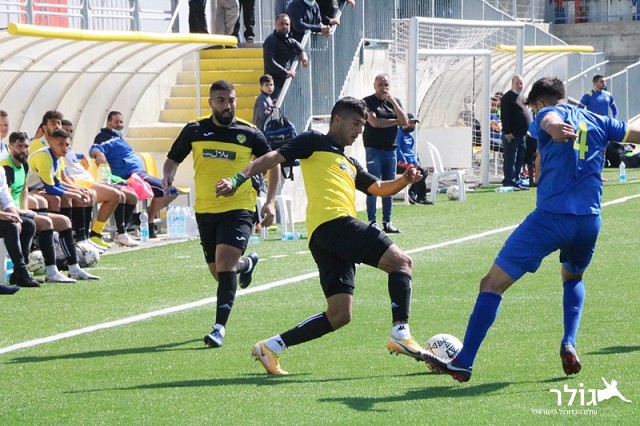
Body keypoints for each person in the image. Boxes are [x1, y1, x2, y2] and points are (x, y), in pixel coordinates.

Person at [422, 76, 640, 382]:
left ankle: (464, 361)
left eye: (534, 109)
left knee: (491, 284)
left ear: (538, 103)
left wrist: (553, 127)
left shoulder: (546, 113)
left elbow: (550, 120)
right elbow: (634, 133)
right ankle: (569, 341)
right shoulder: (599, 119)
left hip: (551, 219)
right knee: (573, 277)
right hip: (589, 221)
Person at [215, 96, 425, 375]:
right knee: (401, 262)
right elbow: (272, 157)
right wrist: (237, 178)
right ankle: (401, 333)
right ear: (337, 119)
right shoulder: (313, 140)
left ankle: (270, 347)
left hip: (324, 237)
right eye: (355, 123)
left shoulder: (349, 161)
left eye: (362, 125)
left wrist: (404, 180)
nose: (359, 130)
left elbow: (378, 188)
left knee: (339, 315)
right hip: (334, 223)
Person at [162, 80, 281, 349]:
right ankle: (247, 264)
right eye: (221, 101)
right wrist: (168, 174)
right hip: (205, 210)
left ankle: (218, 328)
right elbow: (173, 159)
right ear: (211, 103)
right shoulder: (195, 129)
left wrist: (270, 202)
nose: (228, 106)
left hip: (239, 209)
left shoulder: (249, 133)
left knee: (225, 265)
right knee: (220, 272)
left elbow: (274, 163)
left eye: (231, 100)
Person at [4, 131, 99, 282]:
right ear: (10, 147)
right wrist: (21, 212)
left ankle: (74, 269)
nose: (24, 150)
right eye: (19, 146)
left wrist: (25, 208)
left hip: (19, 210)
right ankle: (51, 271)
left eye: (26, 146)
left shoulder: (24, 164)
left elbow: (23, 190)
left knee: (64, 222)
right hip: (9, 212)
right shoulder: (7, 168)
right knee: (46, 220)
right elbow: (6, 199)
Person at [91, 111, 178, 238]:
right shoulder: (104, 137)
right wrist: (98, 154)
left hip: (139, 174)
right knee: (166, 190)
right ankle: (148, 223)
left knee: (172, 191)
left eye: (121, 122)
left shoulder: (118, 138)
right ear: (108, 123)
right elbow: (95, 148)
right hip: (131, 176)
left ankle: (142, 218)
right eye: (116, 122)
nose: (119, 125)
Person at [61, 119, 139, 247]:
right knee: (116, 195)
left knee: (131, 196)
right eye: (65, 130)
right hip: (79, 183)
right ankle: (94, 235)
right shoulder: (56, 147)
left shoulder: (68, 147)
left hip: (88, 180)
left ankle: (120, 233)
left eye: (71, 131)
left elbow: (70, 159)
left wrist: (80, 156)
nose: (69, 134)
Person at [27, 111, 99, 248]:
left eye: (67, 145)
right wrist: (74, 193)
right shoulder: (43, 154)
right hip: (30, 190)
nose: (65, 148)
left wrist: (76, 191)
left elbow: (58, 181)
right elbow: (50, 187)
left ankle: (80, 238)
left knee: (74, 196)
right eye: (61, 144)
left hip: (41, 187)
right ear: (51, 143)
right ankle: (52, 240)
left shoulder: (58, 156)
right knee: (57, 199)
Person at [362, 74, 408, 233]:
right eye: (380, 85)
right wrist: (396, 121)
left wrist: (393, 103)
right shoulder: (367, 102)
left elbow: (405, 122)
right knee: (373, 185)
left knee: (390, 186)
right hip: (374, 149)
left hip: (391, 149)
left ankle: (387, 222)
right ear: (374, 86)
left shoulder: (394, 102)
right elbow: (374, 122)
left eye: (386, 85)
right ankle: (372, 221)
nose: (383, 88)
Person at [262, 13, 310, 101]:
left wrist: (303, 53)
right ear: (275, 25)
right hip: (274, 84)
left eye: (287, 24)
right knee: (276, 107)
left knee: (300, 98)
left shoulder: (288, 39)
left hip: (286, 80)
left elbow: (296, 44)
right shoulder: (271, 40)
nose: (284, 26)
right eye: (281, 24)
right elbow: (269, 62)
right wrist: (285, 72)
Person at [500, 75, 531, 189]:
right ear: (512, 84)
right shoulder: (507, 97)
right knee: (510, 158)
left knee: (520, 158)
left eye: (521, 83)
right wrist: (507, 131)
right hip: (512, 134)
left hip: (522, 134)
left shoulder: (521, 97)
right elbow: (504, 115)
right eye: (517, 83)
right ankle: (509, 181)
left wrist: (526, 130)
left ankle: (517, 180)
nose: (519, 86)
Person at [396, 113, 431, 205]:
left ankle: (412, 193)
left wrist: (416, 163)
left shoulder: (409, 137)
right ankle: (421, 198)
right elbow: (397, 148)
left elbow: (411, 153)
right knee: (420, 171)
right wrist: (404, 161)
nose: (413, 125)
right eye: (411, 122)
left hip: (409, 164)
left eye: (414, 123)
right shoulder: (398, 133)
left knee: (423, 171)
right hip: (399, 164)